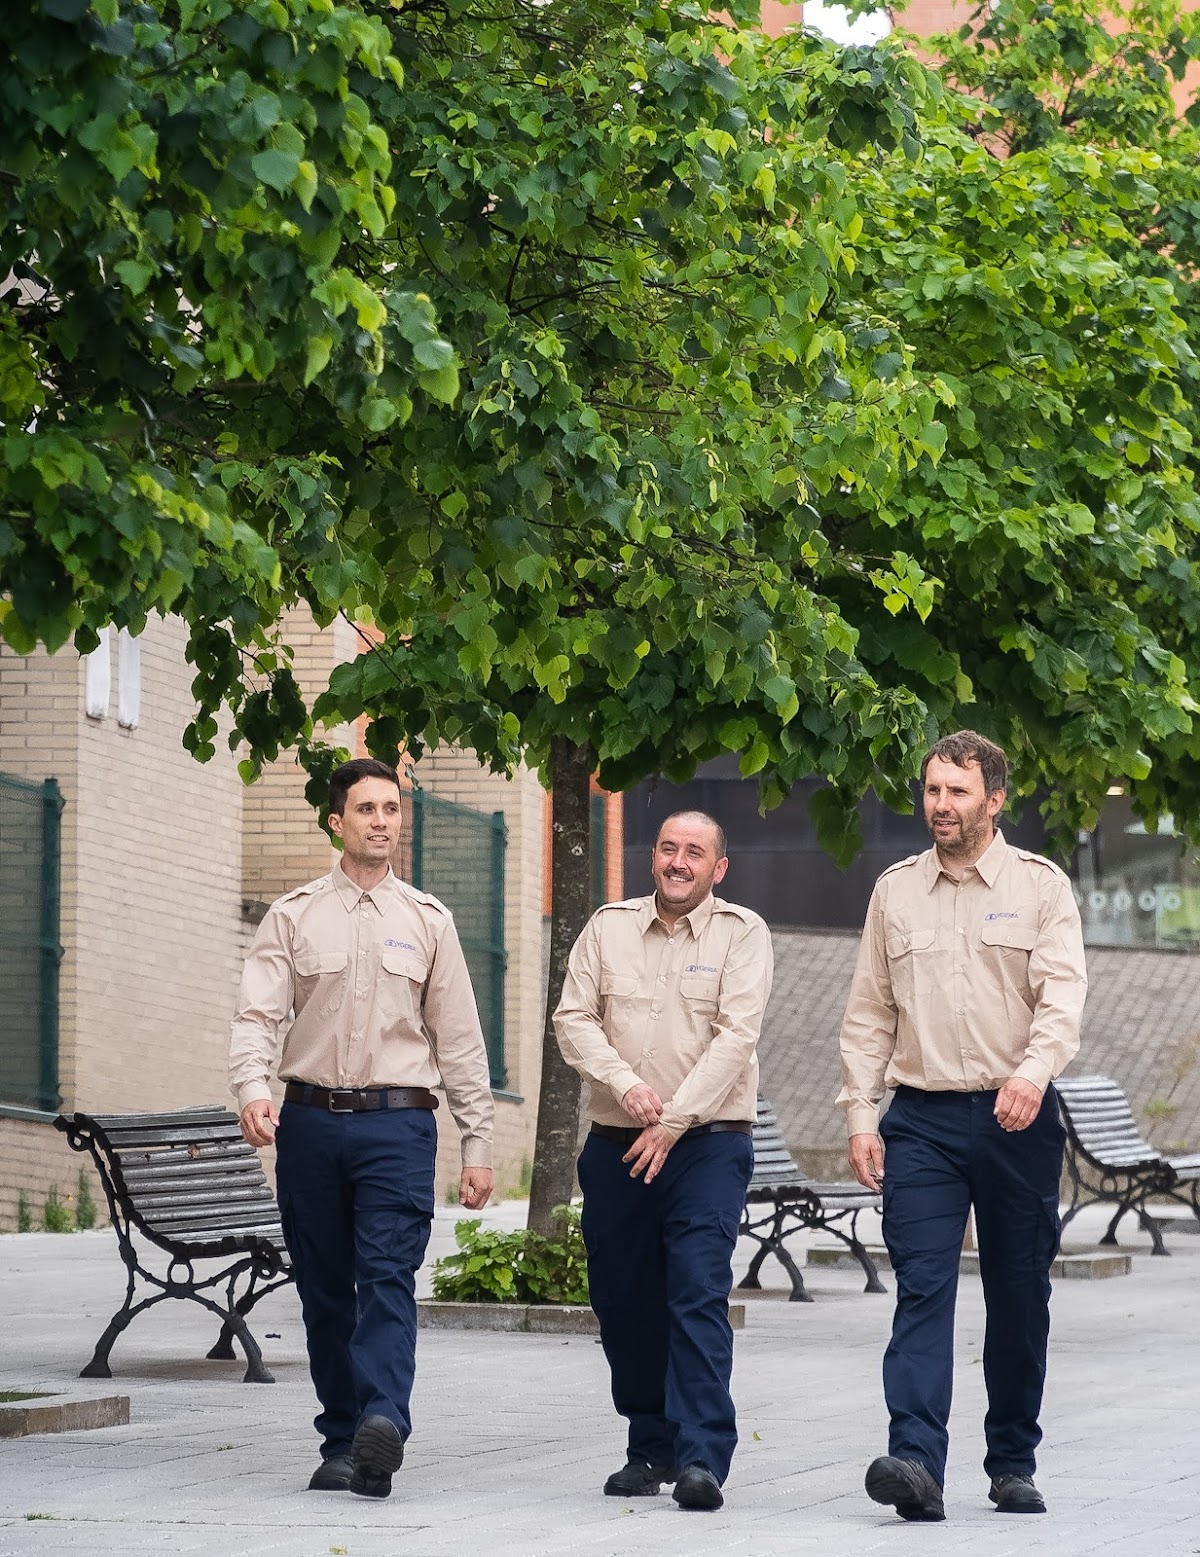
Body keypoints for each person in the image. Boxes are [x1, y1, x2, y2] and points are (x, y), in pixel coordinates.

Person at [837, 730, 1086, 1522]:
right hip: (922, 1120)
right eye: (932, 790)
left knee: (1018, 1296)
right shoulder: (894, 891)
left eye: (957, 791)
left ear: (995, 798)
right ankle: (914, 1458)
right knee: (922, 1287)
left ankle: (1012, 1459)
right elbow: (869, 1013)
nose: (940, 805)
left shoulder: (1041, 886)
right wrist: (861, 1114)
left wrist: (1031, 1071)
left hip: (1018, 1116)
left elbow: (1062, 998)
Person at [230, 757, 494, 1498]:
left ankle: (383, 1421)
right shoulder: (293, 915)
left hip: (398, 1128)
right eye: (367, 808)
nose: (382, 819)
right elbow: (256, 1017)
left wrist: (477, 1142)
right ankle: (342, 1435)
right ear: (336, 820)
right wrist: (253, 1088)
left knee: (385, 1277)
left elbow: (461, 1041)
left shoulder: (428, 920)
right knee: (323, 1289)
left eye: (391, 807)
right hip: (310, 1122)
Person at [554, 810, 772, 1513]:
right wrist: (626, 1084)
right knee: (623, 1301)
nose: (679, 861)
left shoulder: (743, 935)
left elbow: (736, 1037)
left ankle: (703, 1454)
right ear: (654, 857)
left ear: (719, 868)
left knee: (697, 1291)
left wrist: (674, 1121)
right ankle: (649, 1443)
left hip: (707, 1144)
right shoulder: (608, 927)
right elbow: (572, 1018)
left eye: (695, 852)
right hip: (618, 1142)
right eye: (669, 848)